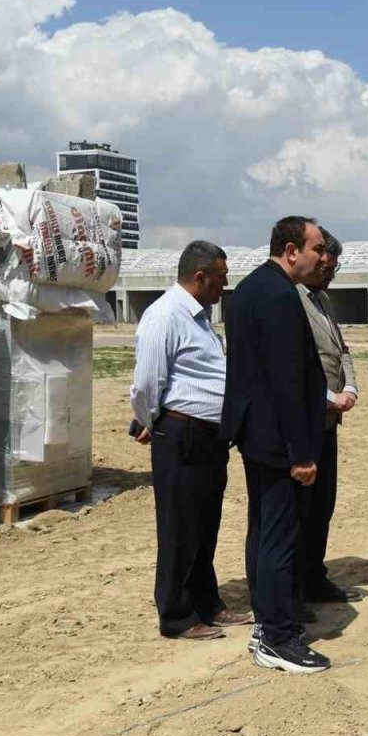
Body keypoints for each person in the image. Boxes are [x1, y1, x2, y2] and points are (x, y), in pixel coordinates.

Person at [223, 216, 329, 674]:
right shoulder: (281, 296)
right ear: (291, 250)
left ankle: (270, 624)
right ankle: (278, 637)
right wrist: (302, 453)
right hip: (279, 442)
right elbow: (286, 381)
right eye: (316, 248)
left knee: (262, 533)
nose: (322, 257)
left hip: (256, 435)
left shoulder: (248, 289)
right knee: (279, 539)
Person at [131, 241, 251, 641]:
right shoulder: (165, 315)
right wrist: (149, 421)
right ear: (199, 277)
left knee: (204, 525)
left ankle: (206, 602)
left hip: (208, 436)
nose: (225, 285)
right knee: (180, 527)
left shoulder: (200, 318)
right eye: (221, 277)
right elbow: (147, 381)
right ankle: (177, 615)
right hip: (180, 434)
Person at [294, 228, 364, 612]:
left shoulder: (323, 301)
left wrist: (350, 387)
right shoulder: (292, 300)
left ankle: (314, 576)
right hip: (307, 418)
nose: (331, 274)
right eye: (328, 267)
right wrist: (329, 397)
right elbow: (299, 366)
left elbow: (342, 350)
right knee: (302, 508)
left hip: (329, 421)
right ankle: (296, 585)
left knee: (323, 504)